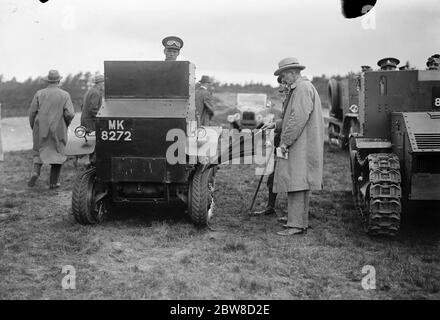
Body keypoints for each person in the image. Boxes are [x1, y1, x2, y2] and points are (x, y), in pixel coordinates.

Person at [262, 57, 324, 236]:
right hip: (302, 143)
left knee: (296, 181)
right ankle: (297, 220)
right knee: (299, 181)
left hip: (300, 144)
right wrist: (275, 125)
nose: (283, 80)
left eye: (283, 76)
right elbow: (292, 116)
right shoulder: (303, 87)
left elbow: (297, 119)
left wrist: (285, 142)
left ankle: (295, 225)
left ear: (291, 73)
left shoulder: (302, 89)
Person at [27, 70, 75, 189]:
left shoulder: (39, 93)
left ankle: (35, 172)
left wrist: (34, 127)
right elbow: (70, 114)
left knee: (39, 150)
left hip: (40, 127)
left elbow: (32, 112)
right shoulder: (65, 95)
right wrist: (66, 123)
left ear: (48, 81)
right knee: (57, 154)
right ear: (59, 81)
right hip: (58, 128)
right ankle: (53, 183)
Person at [253, 76, 291, 216]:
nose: (283, 93)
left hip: (289, 145)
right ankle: (270, 207)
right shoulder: (286, 100)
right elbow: (284, 120)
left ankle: (292, 211)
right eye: (281, 90)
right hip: (281, 143)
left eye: (284, 88)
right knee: (273, 176)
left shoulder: (294, 98)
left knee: (288, 176)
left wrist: (277, 126)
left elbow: (290, 122)